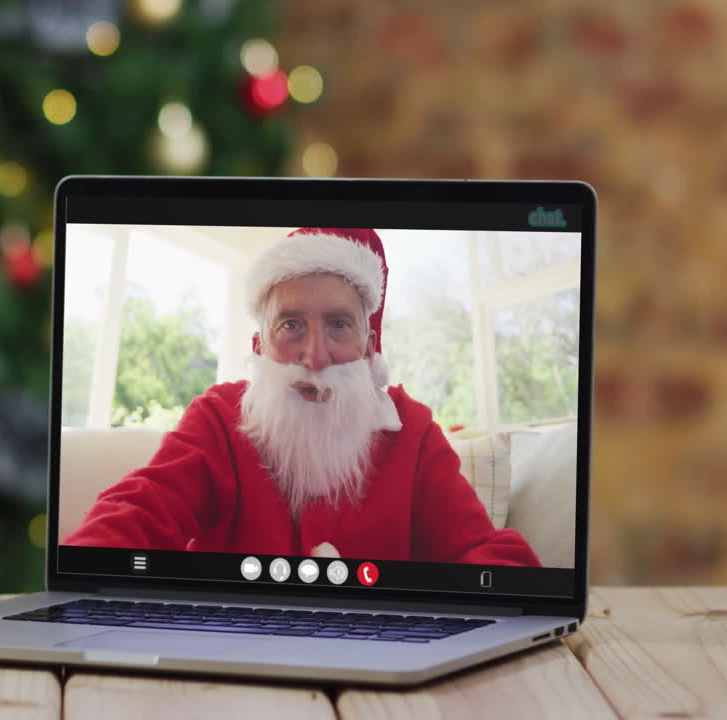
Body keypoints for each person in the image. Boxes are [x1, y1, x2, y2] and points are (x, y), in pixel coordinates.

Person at [64, 227, 541, 566]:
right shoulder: (218, 417)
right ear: (259, 347)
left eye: (339, 324)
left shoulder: (412, 430)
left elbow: (484, 554)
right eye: (291, 324)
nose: (315, 357)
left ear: (369, 347)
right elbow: (140, 512)